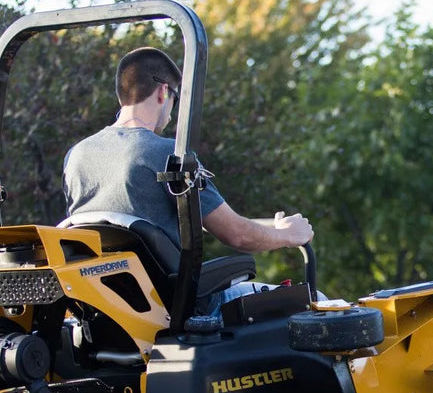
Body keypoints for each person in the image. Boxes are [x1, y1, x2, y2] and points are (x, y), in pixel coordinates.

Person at [63, 46, 313, 306]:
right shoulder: (167, 153)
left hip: (106, 310)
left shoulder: (76, 156)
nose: (172, 113)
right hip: (180, 310)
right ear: (163, 92)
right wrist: (288, 235)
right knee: (314, 301)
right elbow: (237, 235)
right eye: (175, 100)